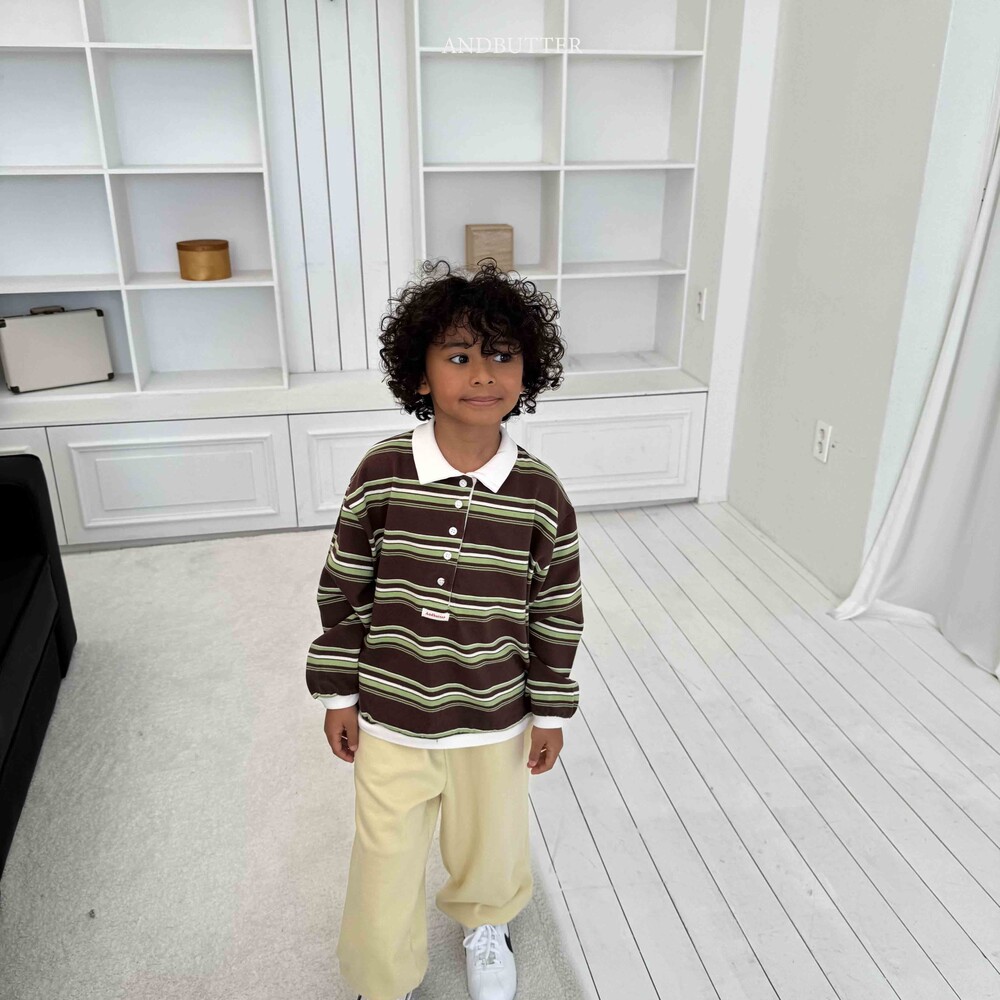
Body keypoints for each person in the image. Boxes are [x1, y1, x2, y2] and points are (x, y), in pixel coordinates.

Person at [305, 258, 584, 1000]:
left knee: (490, 844)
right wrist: (337, 693)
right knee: (384, 854)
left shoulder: (541, 493)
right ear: (421, 375)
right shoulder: (382, 471)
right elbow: (344, 587)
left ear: (527, 371)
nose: (483, 374)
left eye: (502, 355)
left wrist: (551, 711)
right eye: (459, 356)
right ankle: (382, 976)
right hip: (390, 709)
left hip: (494, 716)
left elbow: (557, 608)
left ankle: (486, 923)